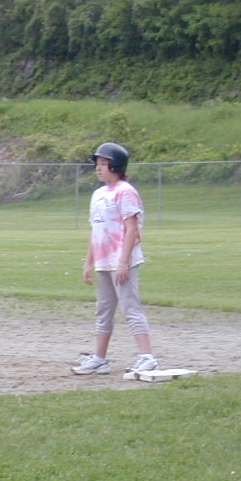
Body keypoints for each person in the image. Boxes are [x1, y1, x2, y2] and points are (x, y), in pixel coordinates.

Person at [72, 142, 159, 376]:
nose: (99, 168)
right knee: (104, 310)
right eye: (98, 164)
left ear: (116, 165)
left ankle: (147, 357)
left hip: (122, 260)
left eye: (103, 164)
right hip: (103, 261)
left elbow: (131, 229)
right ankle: (99, 359)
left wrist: (124, 262)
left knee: (130, 306)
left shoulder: (125, 191)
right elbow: (95, 231)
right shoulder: (98, 194)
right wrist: (88, 262)